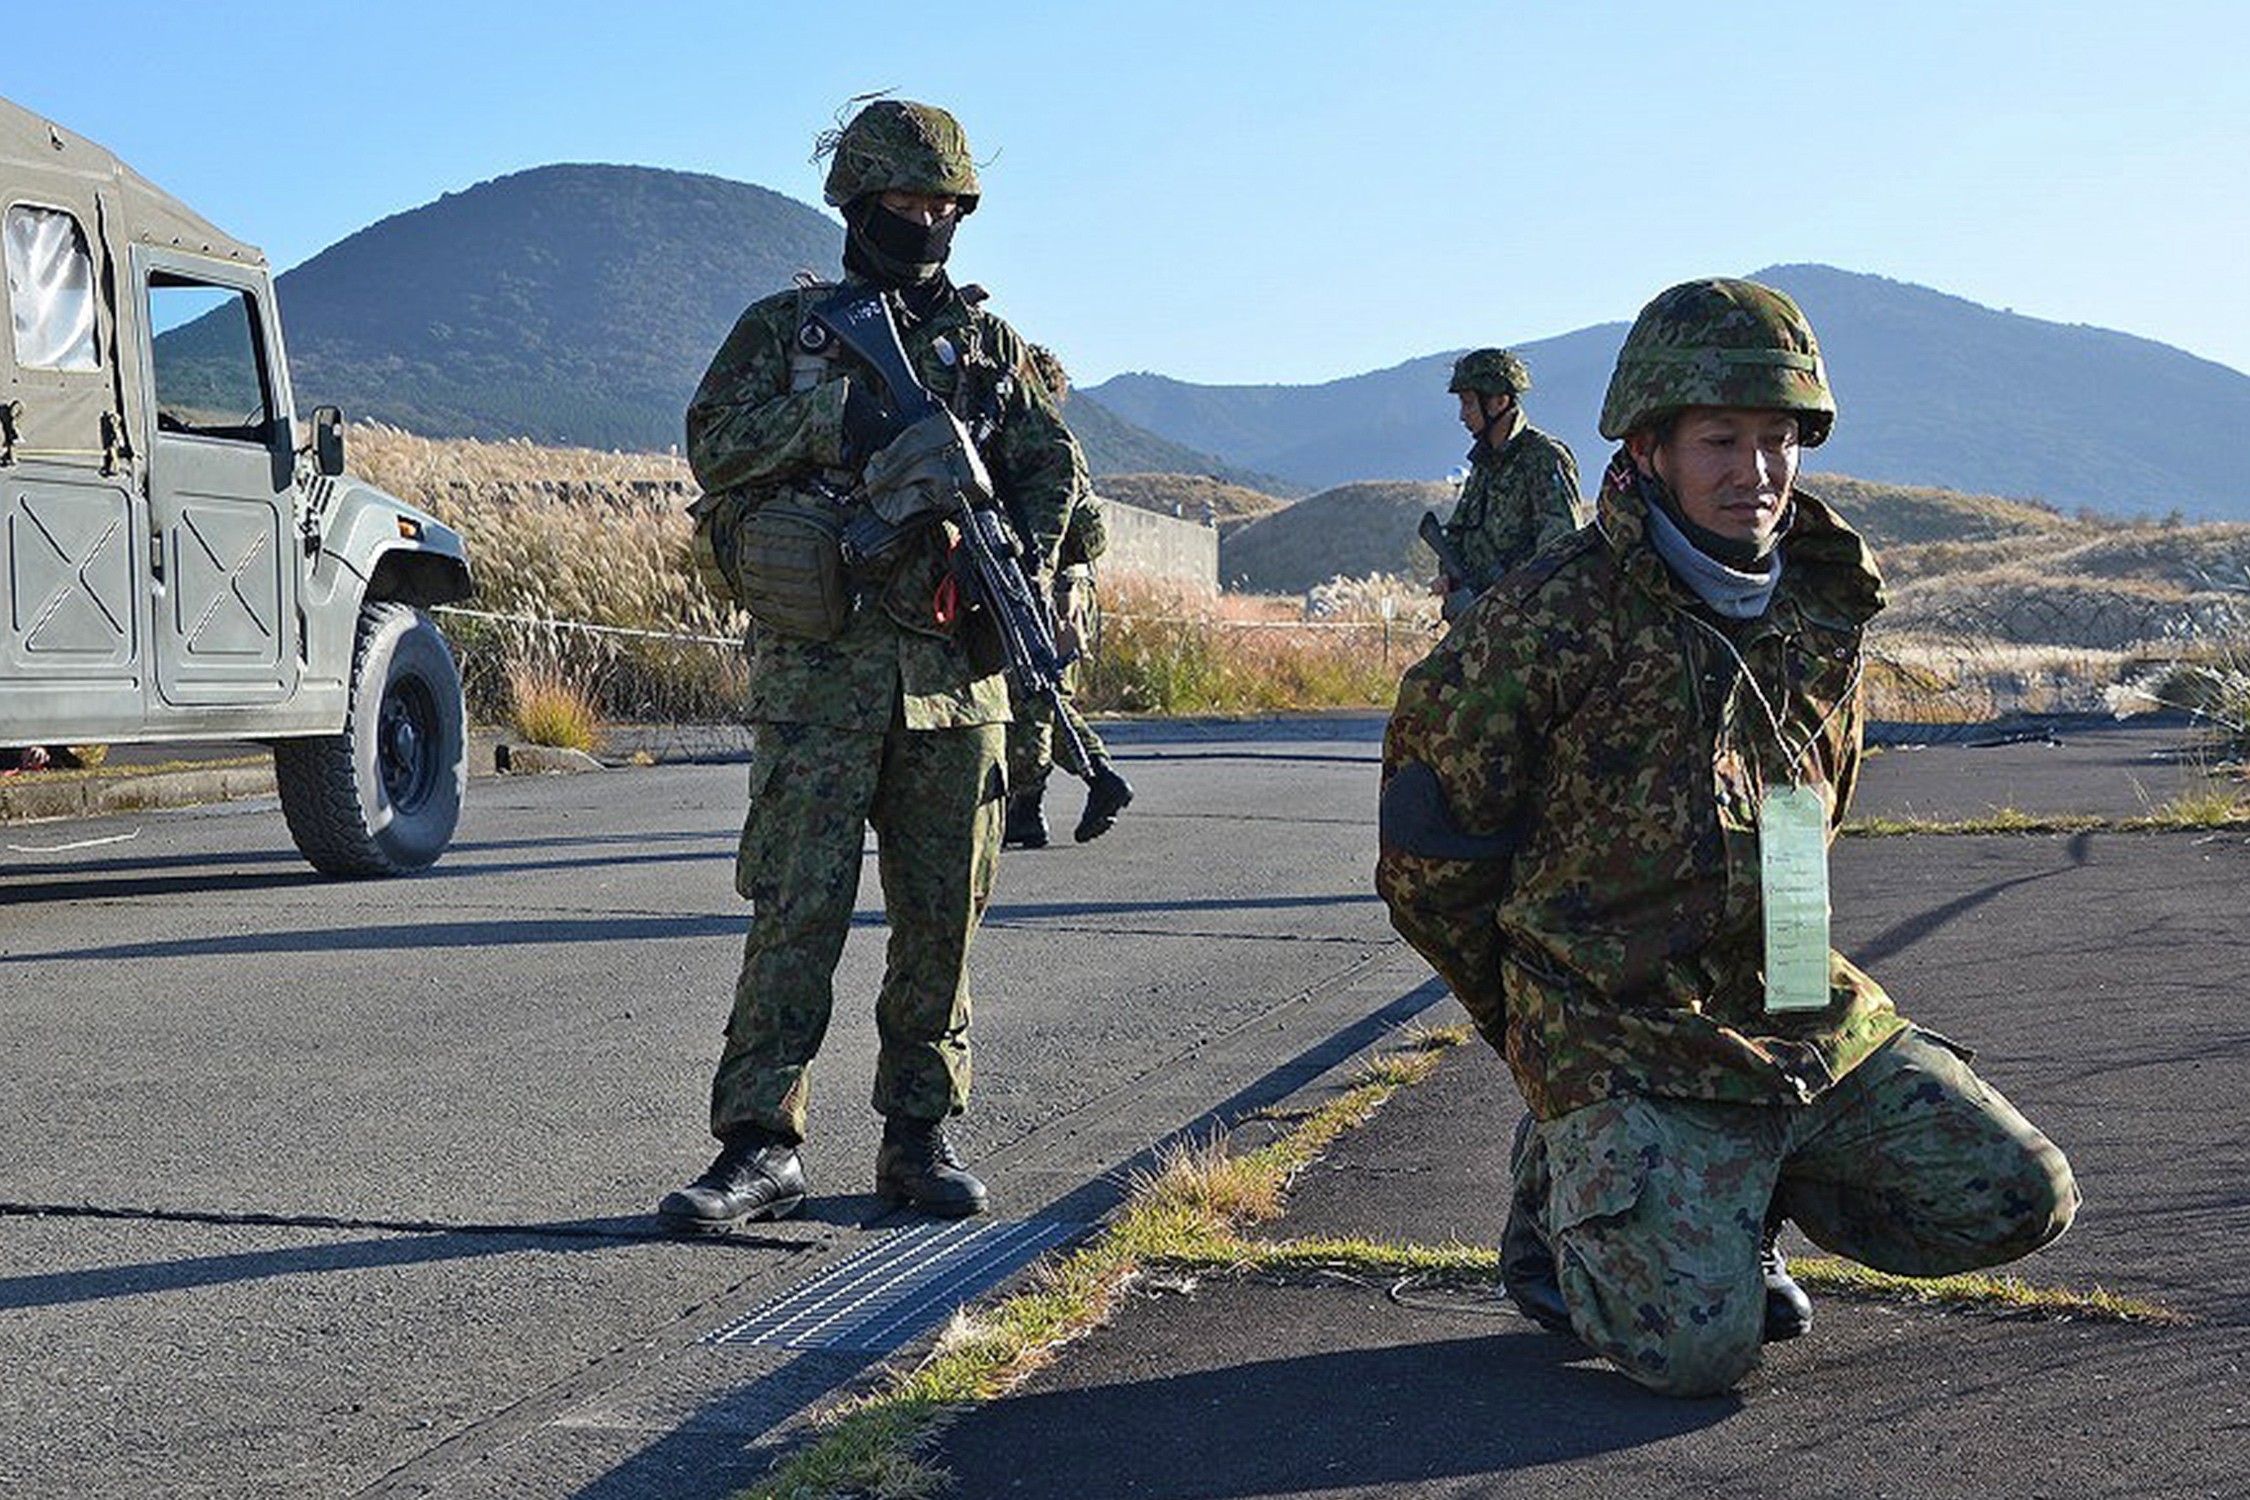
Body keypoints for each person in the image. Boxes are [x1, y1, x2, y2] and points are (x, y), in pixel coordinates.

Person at [1376, 277, 2078, 1396]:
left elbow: (1809, 815)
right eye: (1720, 440)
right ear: (1651, 447)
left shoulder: (1822, 604)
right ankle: (1572, 1185)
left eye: (1776, 438)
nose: (1755, 470)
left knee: (2017, 1195)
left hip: (1779, 990)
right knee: (1699, 1353)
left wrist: (1798, 1008)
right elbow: (1431, 859)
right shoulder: (1549, 616)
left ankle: (1728, 1182)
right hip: (1609, 1015)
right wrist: (1529, 1031)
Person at [661, 99, 1083, 1228]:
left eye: (946, 204)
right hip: (821, 679)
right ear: (858, 202)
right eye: (906, 201)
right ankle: (758, 1145)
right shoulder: (784, 332)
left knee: (942, 923)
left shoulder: (990, 349)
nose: (929, 221)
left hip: (956, 681)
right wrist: (836, 423)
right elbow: (712, 441)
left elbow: (1052, 468)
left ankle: (918, 1137)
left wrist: (1017, 561)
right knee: (794, 910)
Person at [1002, 344, 1134, 849]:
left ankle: (1040, 804)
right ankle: (1093, 780)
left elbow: (1049, 514)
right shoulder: (1049, 433)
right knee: (1039, 690)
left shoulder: (1038, 439)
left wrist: (1036, 570)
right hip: (1067, 579)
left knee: (1034, 692)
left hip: (1049, 578)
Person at [1433, 348, 1586, 622]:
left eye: (1468, 403)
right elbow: (1459, 532)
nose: (1462, 415)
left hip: (1525, 626)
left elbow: (1561, 552)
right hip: (1479, 621)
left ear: (1499, 402)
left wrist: (1511, 598)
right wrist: (1448, 576)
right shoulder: (1483, 465)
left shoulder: (1544, 458)